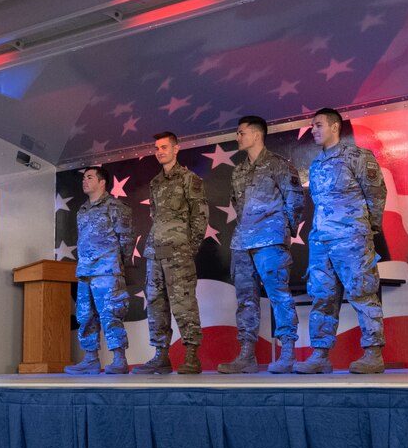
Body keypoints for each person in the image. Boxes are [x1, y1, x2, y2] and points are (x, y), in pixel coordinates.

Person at [297, 108, 389, 374]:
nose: (313, 130)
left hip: (351, 238)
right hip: (321, 241)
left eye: (318, 125)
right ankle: (320, 355)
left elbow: (376, 194)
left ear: (335, 126)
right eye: (312, 126)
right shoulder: (315, 164)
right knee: (321, 296)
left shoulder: (357, 156)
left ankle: (373, 353)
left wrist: (367, 228)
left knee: (362, 292)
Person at [218, 116, 307, 374]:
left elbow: (295, 202)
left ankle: (287, 351)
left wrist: (283, 231)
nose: (238, 137)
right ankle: (246, 355)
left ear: (257, 134)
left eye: (241, 132)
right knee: (245, 299)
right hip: (243, 242)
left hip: (270, 240)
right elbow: (238, 204)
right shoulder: (238, 170)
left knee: (279, 295)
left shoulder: (278, 165)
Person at [133, 131, 209, 375]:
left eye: (164, 147)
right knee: (156, 304)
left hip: (178, 253)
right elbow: (157, 216)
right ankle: (161, 355)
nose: (160, 151)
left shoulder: (189, 179)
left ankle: (191, 356)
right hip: (155, 252)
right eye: (157, 148)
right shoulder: (155, 183)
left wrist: (188, 248)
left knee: (184, 303)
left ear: (177, 149)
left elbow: (200, 216)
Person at [66, 166, 134, 375]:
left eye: (89, 177)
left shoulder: (116, 207)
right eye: (83, 178)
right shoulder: (82, 210)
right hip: (85, 271)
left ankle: (119, 359)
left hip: (107, 270)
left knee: (110, 314)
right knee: (85, 315)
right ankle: (90, 359)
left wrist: (116, 263)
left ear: (102, 182)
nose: (84, 181)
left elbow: (127, 240)